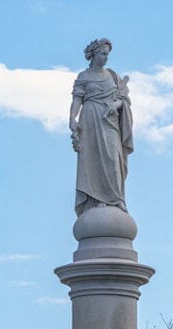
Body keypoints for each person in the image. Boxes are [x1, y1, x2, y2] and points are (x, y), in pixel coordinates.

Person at [69, 37, 133, 216]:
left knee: (113, 157)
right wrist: (72, 119)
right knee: (92, 159)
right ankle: (96, 199)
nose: (106, 58)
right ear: (94, 54)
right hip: (89, 119)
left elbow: (124, 99)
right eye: (103, 54)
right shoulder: (84, 77)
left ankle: (116, 198)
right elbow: (77, 100)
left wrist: (117, 105)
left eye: (108, 55)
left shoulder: (113, 76)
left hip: (109, 121)